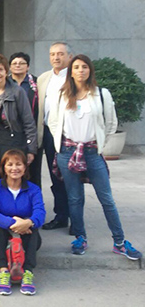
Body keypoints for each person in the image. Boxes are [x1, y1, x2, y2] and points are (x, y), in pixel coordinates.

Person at [48, 55, 142, 261]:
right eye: (76, 67)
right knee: (74, 198)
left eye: (84, 67)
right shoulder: (62, 94)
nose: (80, 70)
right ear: (70, 71)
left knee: (106, 198)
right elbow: (53, 122)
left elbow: (111, 122)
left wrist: (100, 144)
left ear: (90, 70)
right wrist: (61, 145)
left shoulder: (101, 94)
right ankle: (80, 237)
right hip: (67, 152)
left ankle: (119, 241)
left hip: (92, 153)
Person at [0, 149, 45, 296]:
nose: (14, 168)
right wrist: (13, 223)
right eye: (9, 164)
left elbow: (40, 213)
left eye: (18, 164)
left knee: (34, 228)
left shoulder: (33, 189)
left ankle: (27, 273)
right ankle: (4, 272)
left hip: (27, 234)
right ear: (4, 168)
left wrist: (28, 222)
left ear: (25, 168)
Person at [0, 54, 36, 184]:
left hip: (14, 142)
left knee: (13, 179)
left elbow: (28, 121)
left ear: (6, 71)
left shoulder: (17, 92)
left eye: (0, 69)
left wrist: (31, 149)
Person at [37, 42, 72, 231]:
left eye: (60, 54)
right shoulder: (44, 78)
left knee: (72, 176)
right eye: (52, 54)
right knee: (55, 175)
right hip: (50, 133)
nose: (56, 58)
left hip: (70, 134)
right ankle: (61, 215)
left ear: (69, 56)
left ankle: (76, 219)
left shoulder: (76, 77)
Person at [9, 52, 41, 186]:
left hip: (31, 131)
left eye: (21, 63)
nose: (18, 66)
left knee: (32, 171)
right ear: (10, 67)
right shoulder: (5, 83)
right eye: (14, 63)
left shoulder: (37, 83)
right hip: (11, 133)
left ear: (27, 67)